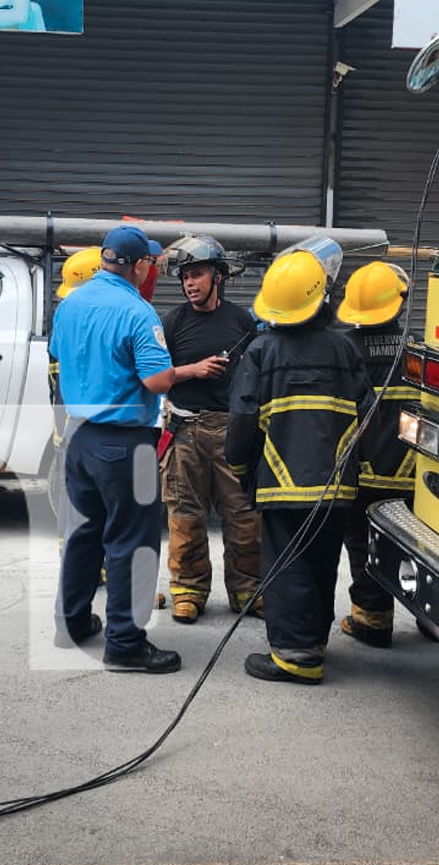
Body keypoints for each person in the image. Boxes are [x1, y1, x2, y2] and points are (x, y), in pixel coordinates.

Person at [226, 238, 371, 685]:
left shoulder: (262, 352)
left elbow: (243, 418)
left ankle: (294, 658)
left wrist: (237, 466)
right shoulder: (344, 349)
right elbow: (366, 412)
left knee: (285, 567)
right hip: (333, 487)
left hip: (279, 483)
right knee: (321, 562)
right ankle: (313, 642)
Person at [50, 225, 181, 674]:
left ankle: (71, 623)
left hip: (79, 436)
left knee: (84, 534)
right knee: (130, 541)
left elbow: (59, 354)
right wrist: (191, 371)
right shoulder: (138, 312)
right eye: (151, 264)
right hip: (125, 443)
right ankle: (124, 643)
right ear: (139, 265)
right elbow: (156, 381)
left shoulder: (70, 304)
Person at [158, 235, 262, 624]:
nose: (189, 283)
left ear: (218, 276)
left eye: (197, 274)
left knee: (244, 514)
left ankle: (248, 589)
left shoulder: (242, 322)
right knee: (184, 514)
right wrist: (193, 370)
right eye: (185, 276)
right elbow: (154, 377)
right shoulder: (171, 323)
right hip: (184, 429)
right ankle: (188, 591)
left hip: (231, 430)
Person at [334, 262, 419, 648]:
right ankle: (432, 620)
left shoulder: (341, 351)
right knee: (419, 548)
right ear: (398, 305)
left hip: (360, 474)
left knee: (362, 545)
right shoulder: (418, 350)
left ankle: (373, 621)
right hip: (413, 477)